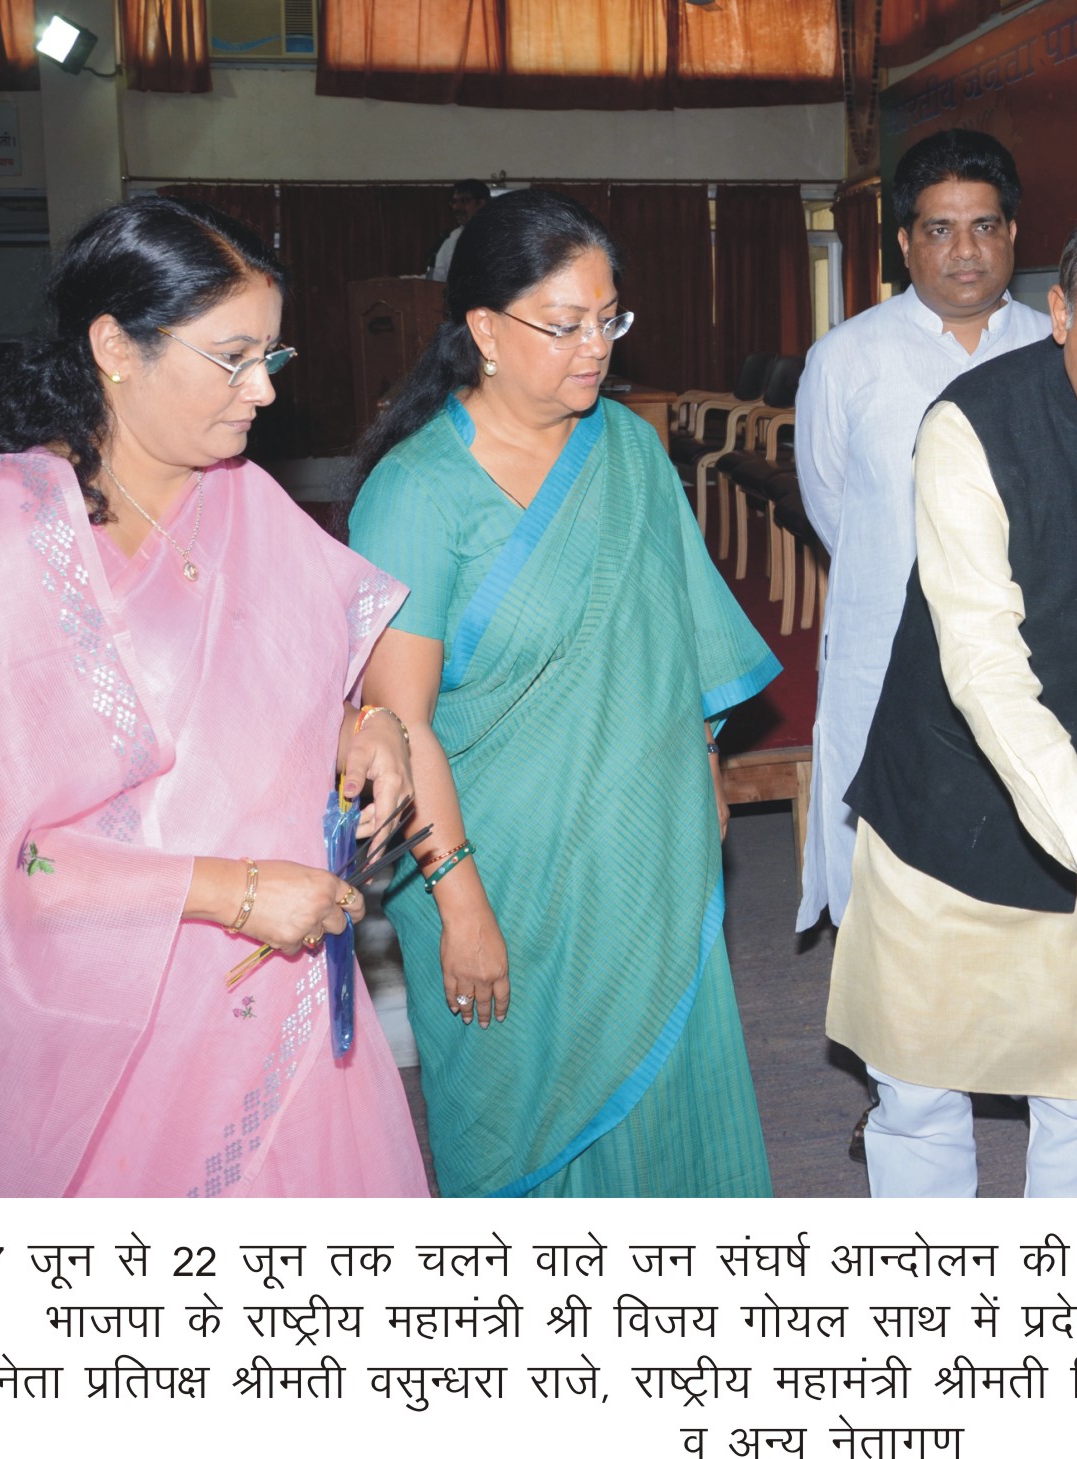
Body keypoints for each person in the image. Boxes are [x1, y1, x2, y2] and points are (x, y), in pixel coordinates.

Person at [0, 196, 426, 1198]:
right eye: (230, 357)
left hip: (273, 988)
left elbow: (280, 680)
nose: (262, 394)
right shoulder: (1, 551)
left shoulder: (238, 499)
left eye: (269, 360)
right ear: (115, 345)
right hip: (114, 1026)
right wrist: (231, 890)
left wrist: (363, 727)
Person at [347, 189, 780, 1198]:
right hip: (495, 866)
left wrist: (702, 766)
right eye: (566, 324)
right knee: (518, 1121)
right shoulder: (416, 493)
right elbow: (400, 724)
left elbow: (675, 632)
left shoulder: (626, 450)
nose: (596, 348)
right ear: (485, 331)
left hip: (643, 849)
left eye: (608, 319)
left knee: (671, 1106)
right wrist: (461, 908)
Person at [826, 206, 1077, 1198]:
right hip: (946, 805)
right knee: (919, 1095)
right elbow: (986, 673)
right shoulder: (969, 426)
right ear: (1057, 313)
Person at [795, 129, 1052, 933]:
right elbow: (832, 503)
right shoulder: (846, 359)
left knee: (1020, 839)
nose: (965, 250)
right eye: (939, 229)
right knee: (887, 845)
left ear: (1013, 233)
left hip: (1027, 639)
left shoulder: (1060, 352)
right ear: (906, 243)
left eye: (984, 225)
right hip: (889, 639)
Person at [428, 179, 491, 282]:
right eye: (454, 202)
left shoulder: (500, 235)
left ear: (481, 203)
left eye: (464, 201)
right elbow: (436, 278)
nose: (456, 207)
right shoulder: (451, 238)